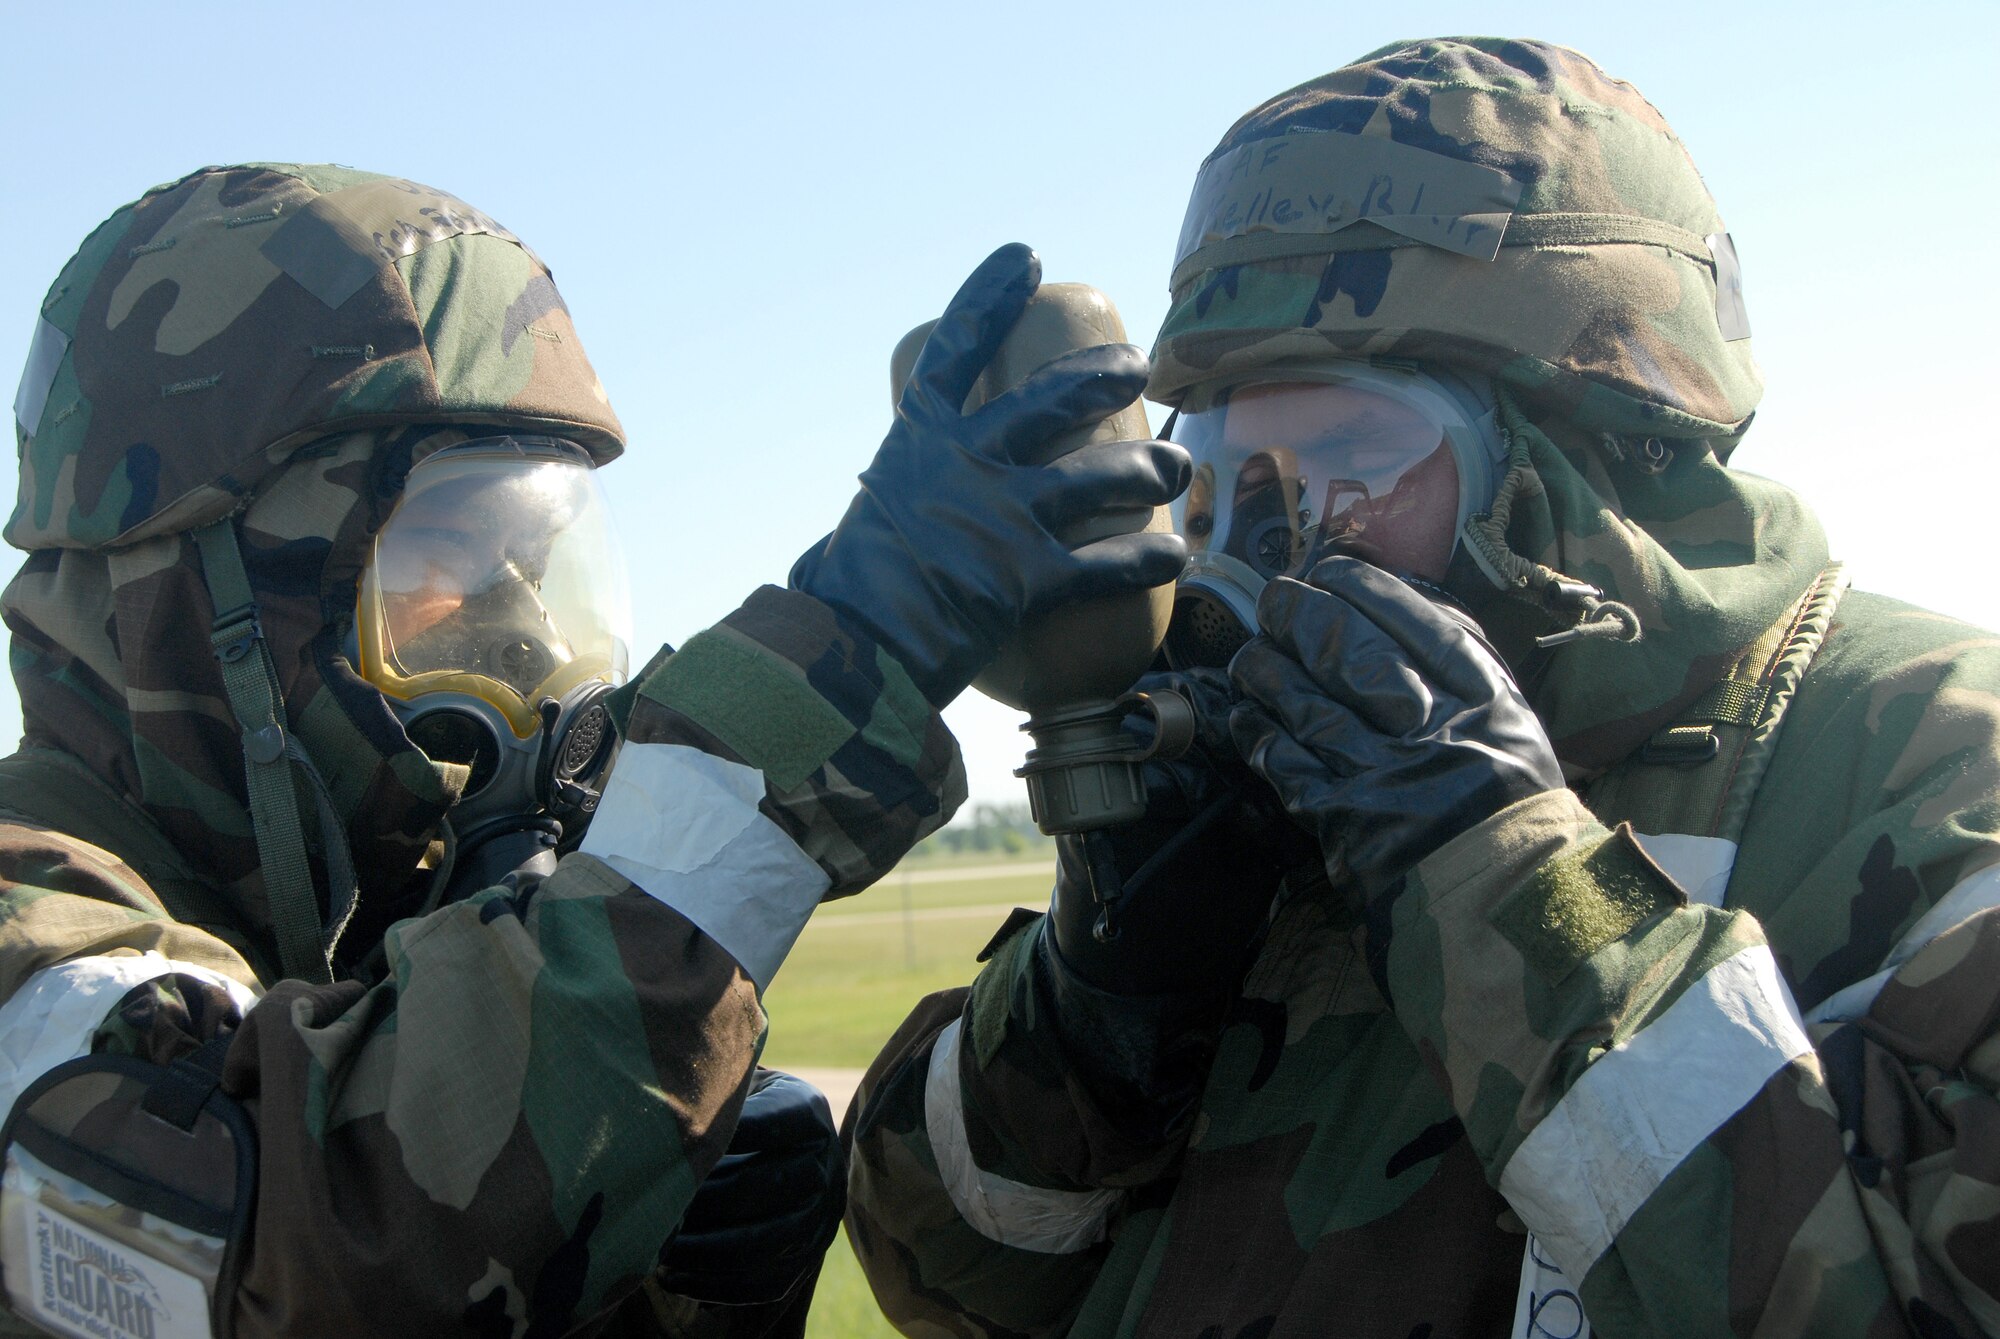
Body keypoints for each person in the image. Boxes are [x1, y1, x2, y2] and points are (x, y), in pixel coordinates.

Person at [845, 37, 2000, 1338]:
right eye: (1227, 469)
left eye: (1352, 455)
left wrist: (1514, 883)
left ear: (1591, 460)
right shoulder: (1272, 783)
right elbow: (945, 1272)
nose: (1274, 543)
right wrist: (1093, 997)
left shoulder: (1932, 762)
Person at [0, 165, 1188, 1338]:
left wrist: (657, 1280)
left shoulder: (363, 936)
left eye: (542, 566)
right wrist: (846, 651)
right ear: (191, 601)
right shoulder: (32, 929)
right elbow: (308, 1250)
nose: (520, 631)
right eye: (449, 564)